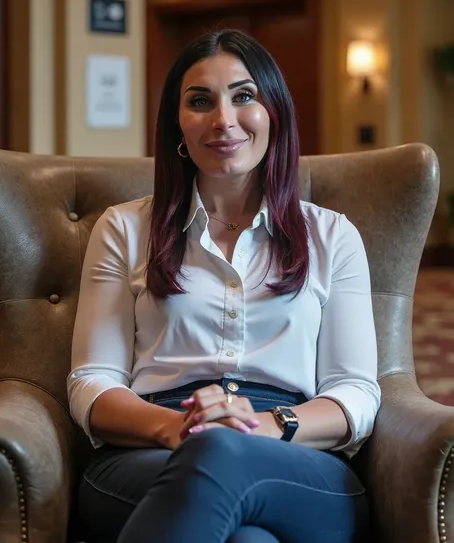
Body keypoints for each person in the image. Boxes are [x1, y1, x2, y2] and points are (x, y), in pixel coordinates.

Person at [68, 29, 381, 543]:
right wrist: (177, 429)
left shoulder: (332, 236)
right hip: (150, 447)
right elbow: (92, 383)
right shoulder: (123, 229)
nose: (223, 119)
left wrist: (265, 425)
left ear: (273, 112)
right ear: (177, 122)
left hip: (293, 450)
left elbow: (355, 392)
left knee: (223, 457)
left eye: (244, 96)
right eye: (199, 101)